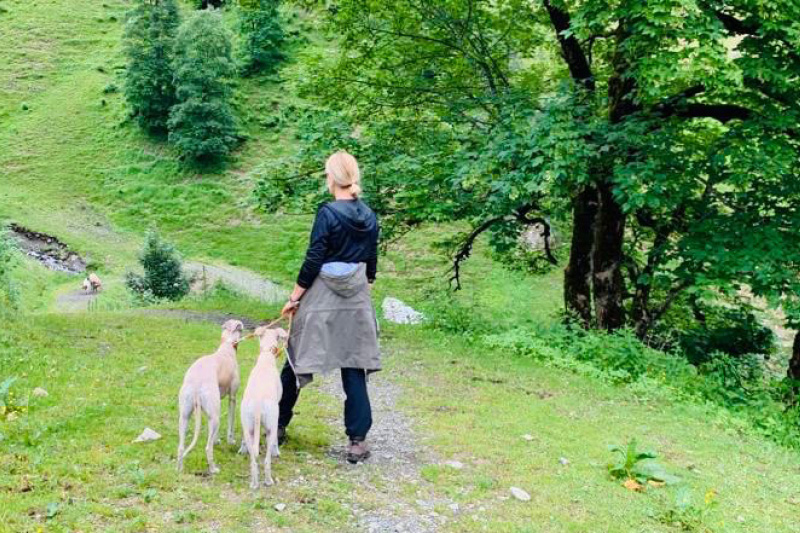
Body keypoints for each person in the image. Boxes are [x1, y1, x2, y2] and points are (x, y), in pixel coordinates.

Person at [279, 150, 380, 464]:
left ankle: (277, 424)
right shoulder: (370, 215)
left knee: (296, 358)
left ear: (332, 178)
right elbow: (371, 260)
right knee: (354, 365)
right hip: (357, 297)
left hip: (321, 297)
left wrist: (294, 298)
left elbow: (314, 258)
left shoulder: (327, 213)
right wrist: (365, 285)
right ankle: (357, 442)